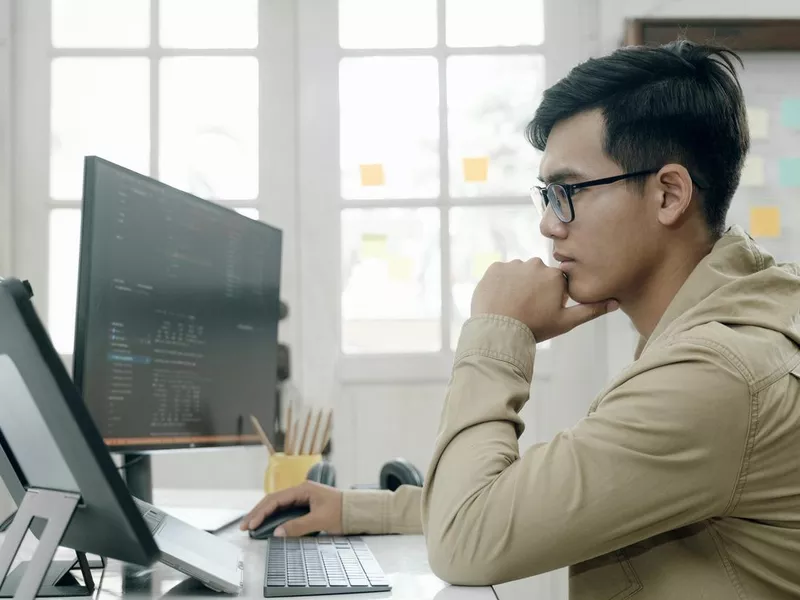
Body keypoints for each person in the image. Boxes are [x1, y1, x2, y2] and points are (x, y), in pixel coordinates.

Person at [242, 40, 800, 599]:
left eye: (568, 192)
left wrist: (498, 328)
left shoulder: (718, 375)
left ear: (669, 194)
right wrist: (365, 508)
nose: (549, 226)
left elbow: (467, 541)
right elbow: (564, 492)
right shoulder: (727, 331)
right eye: (546, 196)